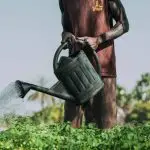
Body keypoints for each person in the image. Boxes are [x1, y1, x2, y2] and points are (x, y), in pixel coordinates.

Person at [59, 0, 129, 129]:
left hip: (103, 67)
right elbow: (67, 28)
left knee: (106, 128)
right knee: (70, 128)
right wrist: (66, 34)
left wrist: (99, 39)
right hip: (76, 68)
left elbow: (124, 24)